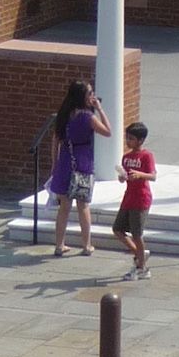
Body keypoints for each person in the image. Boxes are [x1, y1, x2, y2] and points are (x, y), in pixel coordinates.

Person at [46, 80, 111, 257]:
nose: (92, 96)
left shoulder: (64, 114)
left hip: (65, 161)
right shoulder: (87, 117)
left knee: (64, 207)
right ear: (82, 96)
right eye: (89, 93)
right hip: (82, 162)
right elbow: (107, 131)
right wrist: (100, 109)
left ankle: (59, 245)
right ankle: (86, 245)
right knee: (83, 206)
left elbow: (55, 140)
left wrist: (54, 163)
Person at [114, 120, 156, 280]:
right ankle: (139, 254)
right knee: (118, 229)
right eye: (127, 138)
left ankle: (141, 267)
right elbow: (124, 178)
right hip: (128, 197)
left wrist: (140, 175)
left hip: (141, 198)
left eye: (131, 138)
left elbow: (153, 176)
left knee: (137, 234)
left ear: (140, 140)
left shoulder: (146, 156)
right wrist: (122, 177)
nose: (128, 141)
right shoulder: (126, 157)